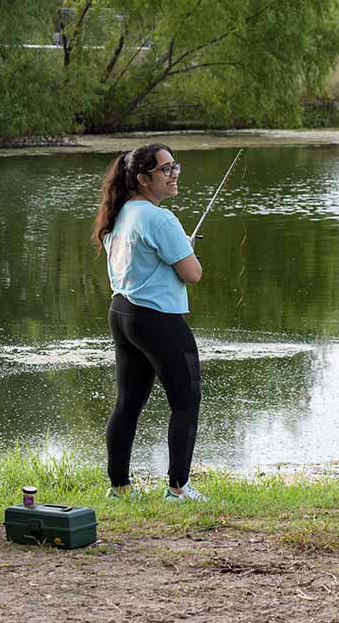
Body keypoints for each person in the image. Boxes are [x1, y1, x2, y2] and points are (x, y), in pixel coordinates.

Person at [92, 143, 206, 501]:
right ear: (143, 178)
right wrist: (186, 250)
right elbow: (192, 273)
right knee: (186, 400)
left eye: (175, 167)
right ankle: (178, 488)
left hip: (123, 314)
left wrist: (177, 249)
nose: (173, 175)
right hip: (156, 318)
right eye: (165, 170)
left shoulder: (121, 212)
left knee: (127, 403)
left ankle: (120, 488)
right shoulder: (158, 218)